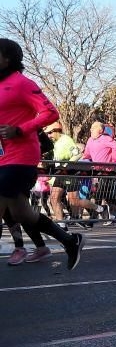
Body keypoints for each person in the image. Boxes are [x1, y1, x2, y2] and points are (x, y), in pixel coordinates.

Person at [0, 38, 84, 269]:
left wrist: (19, 129)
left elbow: (50, 113)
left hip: (21, 156)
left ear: (7, 58)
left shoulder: (22, 83)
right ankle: (69, 241)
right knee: (22, 214)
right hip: (2, 157)